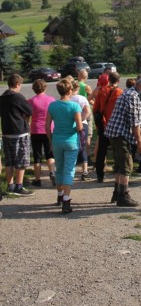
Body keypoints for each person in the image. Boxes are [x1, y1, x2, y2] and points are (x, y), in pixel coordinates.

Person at [105, 77, 141, 207]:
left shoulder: (127, 92)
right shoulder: (133, 97)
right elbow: (134, 122)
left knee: (119, 164)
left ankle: (117, 193)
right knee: (126, 164)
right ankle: (123, 196)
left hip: (114, 132)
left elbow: (131, 120)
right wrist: (139, 141)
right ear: (140, 86)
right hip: (121, 134)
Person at [46, 78, 83, 213]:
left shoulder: (52, 105)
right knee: (69, 170)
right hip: (71, 141)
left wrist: (51, 139)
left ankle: (60, 195)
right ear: (70, 90)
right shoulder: (75, 106)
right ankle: (66, 200)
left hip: (57, 140)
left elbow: (47, 126)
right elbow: (79, 127)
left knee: (59, 169)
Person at [0, 73, 34, 196]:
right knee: (21, 160)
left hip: (6, 132)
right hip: (19, 132)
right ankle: (19, 186)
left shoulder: (2, 97)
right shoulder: (18, 97)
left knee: (9, 161)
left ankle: (10, 186)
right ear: (17, 84)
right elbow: (30, 110)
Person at [93, 71, 122, 182]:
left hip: (104, 125)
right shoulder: (120, 93)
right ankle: (117, 172)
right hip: (116, 126)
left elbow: (95, 109)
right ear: (118, 80)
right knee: (117, 150)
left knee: (101, 151)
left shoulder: (102, 92)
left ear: (108, 80)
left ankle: (100, 175)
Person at [28, 79, 56, 187]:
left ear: (33, 89)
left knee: (37, 155)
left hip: (35, 130)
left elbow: (27, 116)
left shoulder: (31, 101)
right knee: (50, 153)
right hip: (48, 129)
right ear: (45, 87)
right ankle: (52, 172)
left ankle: (37, 179)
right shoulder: (51, 99)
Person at [71, 79, 91, 180]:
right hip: (83, 124)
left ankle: (71, 170)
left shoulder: (68, 98)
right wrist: (81, 119)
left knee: (72, 146)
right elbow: (87, 111)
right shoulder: (82, 98)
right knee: (82, 146)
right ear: (78, 88)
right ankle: (85, 170)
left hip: (71, 124)